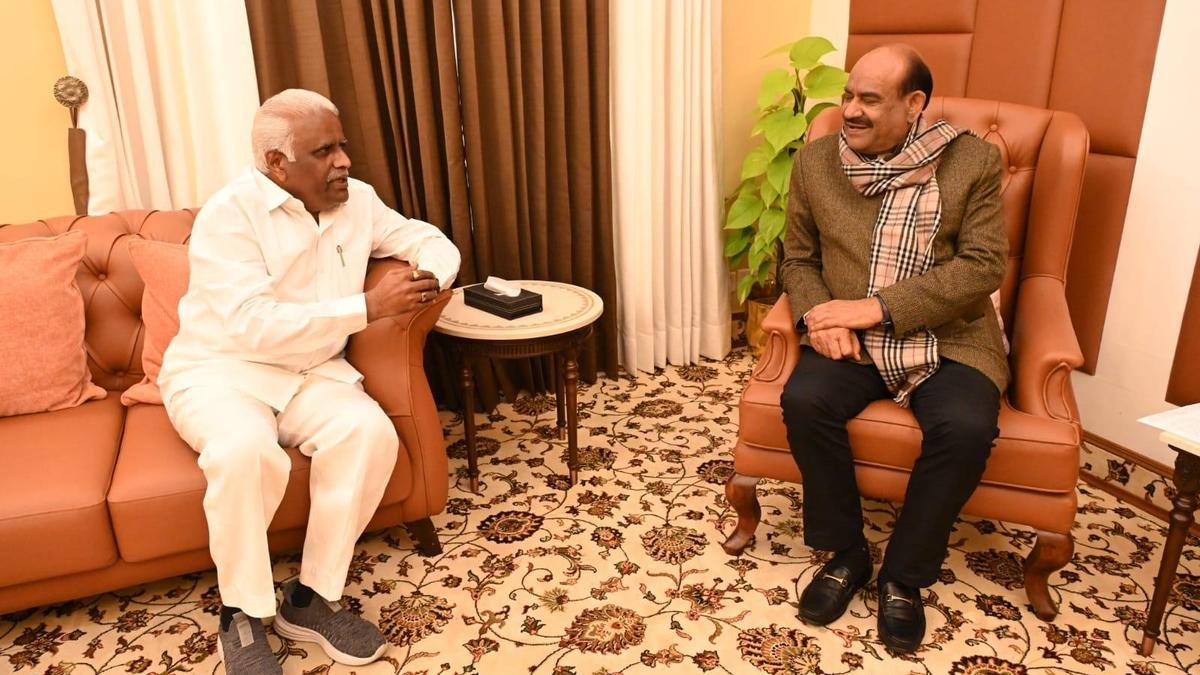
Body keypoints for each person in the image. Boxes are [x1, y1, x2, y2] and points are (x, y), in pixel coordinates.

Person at [158, 89, 460, 674]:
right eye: (324, 152)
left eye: (341, 146)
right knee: (244, 452)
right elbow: (254, 326)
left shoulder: (358, 200)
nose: (343, 161)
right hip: (223, 371)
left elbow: (428, 240)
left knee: (368, 433)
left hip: (312, 372)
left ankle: (312, 597)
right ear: (277, 163)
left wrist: (426, 278)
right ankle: (242, 613)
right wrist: (369, 305)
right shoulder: (229, 216)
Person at [778, 44, 1008, 653]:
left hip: (947, 333)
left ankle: (903, 575)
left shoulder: (972, 162)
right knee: (805, 400)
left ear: (914, 104)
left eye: (869, 99)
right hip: (850, 335)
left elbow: (983, 265)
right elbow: (798, 259)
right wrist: (818, 316)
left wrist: (877, 308)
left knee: (965, 427)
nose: (850, 110)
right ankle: (846, 554)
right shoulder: (816, 162)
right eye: (848, 95)